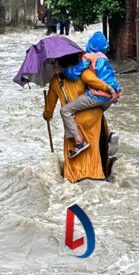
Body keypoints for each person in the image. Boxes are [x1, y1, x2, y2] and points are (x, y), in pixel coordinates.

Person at [43, 54, 113, 182]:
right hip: (94, 117)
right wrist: (109, 89)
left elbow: (49, 110)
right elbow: (97, 84)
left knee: (74, 151)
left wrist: (46, 116)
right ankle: (100, 173)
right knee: (97, 146)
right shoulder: (83, 72)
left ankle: (75, 177)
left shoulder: (55, 81)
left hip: (73, 123)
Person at [62, 31, 121, 159]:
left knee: (65, 110)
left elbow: (74, 75)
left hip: (100, 94)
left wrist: (64, 70)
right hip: (113, 95)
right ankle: (109, 133)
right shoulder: (104, 57)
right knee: (97, 111)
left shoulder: (88, 57)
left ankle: (79, 142)